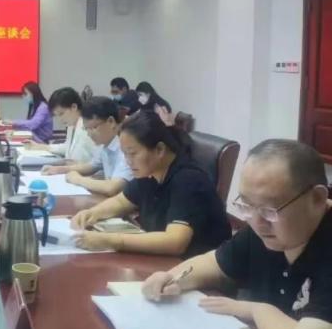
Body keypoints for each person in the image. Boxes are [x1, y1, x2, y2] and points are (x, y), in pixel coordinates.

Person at [142, 140, 332, 329]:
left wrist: (257, 310)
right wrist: (172, 277)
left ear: (317, 199)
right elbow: (214, 264)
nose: (257, 222)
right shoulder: (265, 229)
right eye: (247, 205)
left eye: (270, 209)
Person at [70, 110, 230, 256]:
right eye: (125, 154)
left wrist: (111, 241)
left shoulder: (188, 180)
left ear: (159, 150)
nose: (128, 161)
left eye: (132, 153)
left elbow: (175, 242)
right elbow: (121, 201)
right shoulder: (150, 172)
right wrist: (92, 213)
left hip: (193, 267)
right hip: (163, 262)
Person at [42, 97, 132, 196]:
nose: (89, 134)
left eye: (93, 128)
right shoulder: (104, 145)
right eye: (86, 129)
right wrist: (59, 170)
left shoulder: (126, 148)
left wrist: (78, 179)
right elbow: (91, 166)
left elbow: (111, 188)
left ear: (111, 122)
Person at [26, 87, 98, 163]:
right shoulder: (72, 125)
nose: (60, 119)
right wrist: (42, 147)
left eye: (61, 114)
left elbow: (98, 162)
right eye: (57, 115)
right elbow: (67, 147)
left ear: (74, 107)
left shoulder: (89, 127)